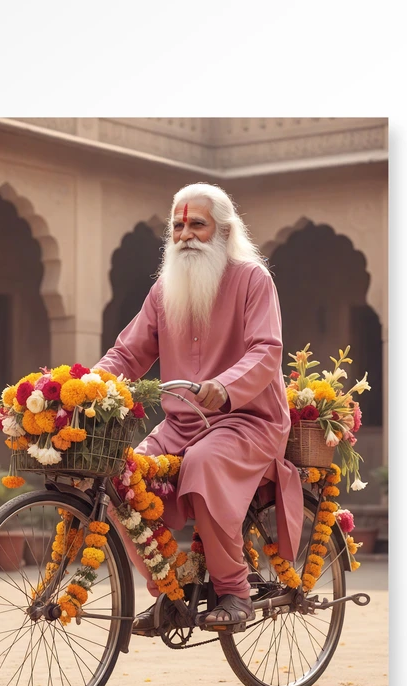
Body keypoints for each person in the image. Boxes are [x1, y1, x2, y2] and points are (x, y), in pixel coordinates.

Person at [93, 182, 303, 634]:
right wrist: (90, 385)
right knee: (121, 478)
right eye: (177, 226)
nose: (185, 234)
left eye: (197, 225)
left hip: (248, 420)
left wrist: (225, 387)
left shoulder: (252, 279)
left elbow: (267, 350)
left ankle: (234, 590)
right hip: (182, 423)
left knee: (204, 465)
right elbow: (128, 355)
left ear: (224, 233)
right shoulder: (163, 291)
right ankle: (171, 591)